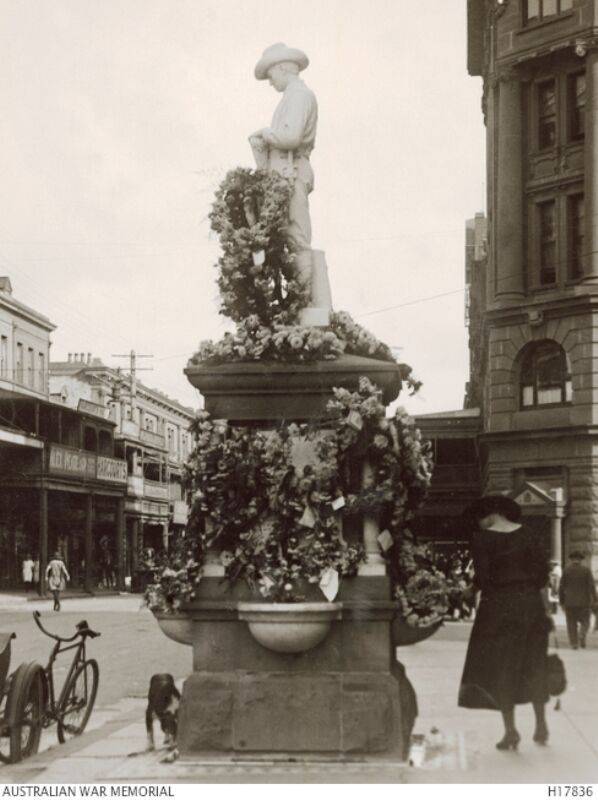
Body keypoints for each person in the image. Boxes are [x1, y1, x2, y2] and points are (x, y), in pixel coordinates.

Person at [458, 495, 552, 751]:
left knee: (502, 667)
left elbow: (485, 578)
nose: (479, 524)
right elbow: (542, 574)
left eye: (480, 519)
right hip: (530, 606)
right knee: (534, 663)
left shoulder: (483, 539)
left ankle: (510, 731)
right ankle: (541, 725)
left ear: (492, 513)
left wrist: (470, 590)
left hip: (498, 608)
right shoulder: (529, 534)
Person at [558, 551, 597, 649]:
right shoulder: (586, 570)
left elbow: (561, 587)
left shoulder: (566, 571)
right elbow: (592, 586)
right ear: (580, 560)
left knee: (571, 623)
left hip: (570, 602)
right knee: (585, 621)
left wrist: (561, 601)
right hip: (584, 602)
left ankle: (574, 644)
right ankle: (582, 634)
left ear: (571, 559)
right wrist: (596, 599)